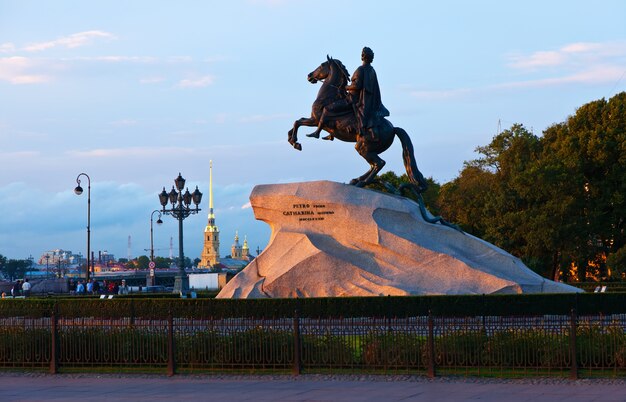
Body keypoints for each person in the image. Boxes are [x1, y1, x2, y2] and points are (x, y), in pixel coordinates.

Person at [345, 47, 389, 142]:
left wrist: (346, 87)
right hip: (369, 100)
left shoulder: (361, 69)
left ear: (362, 56)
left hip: (361, 100)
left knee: (339, 107)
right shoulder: (372, 70)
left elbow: (357, 85)